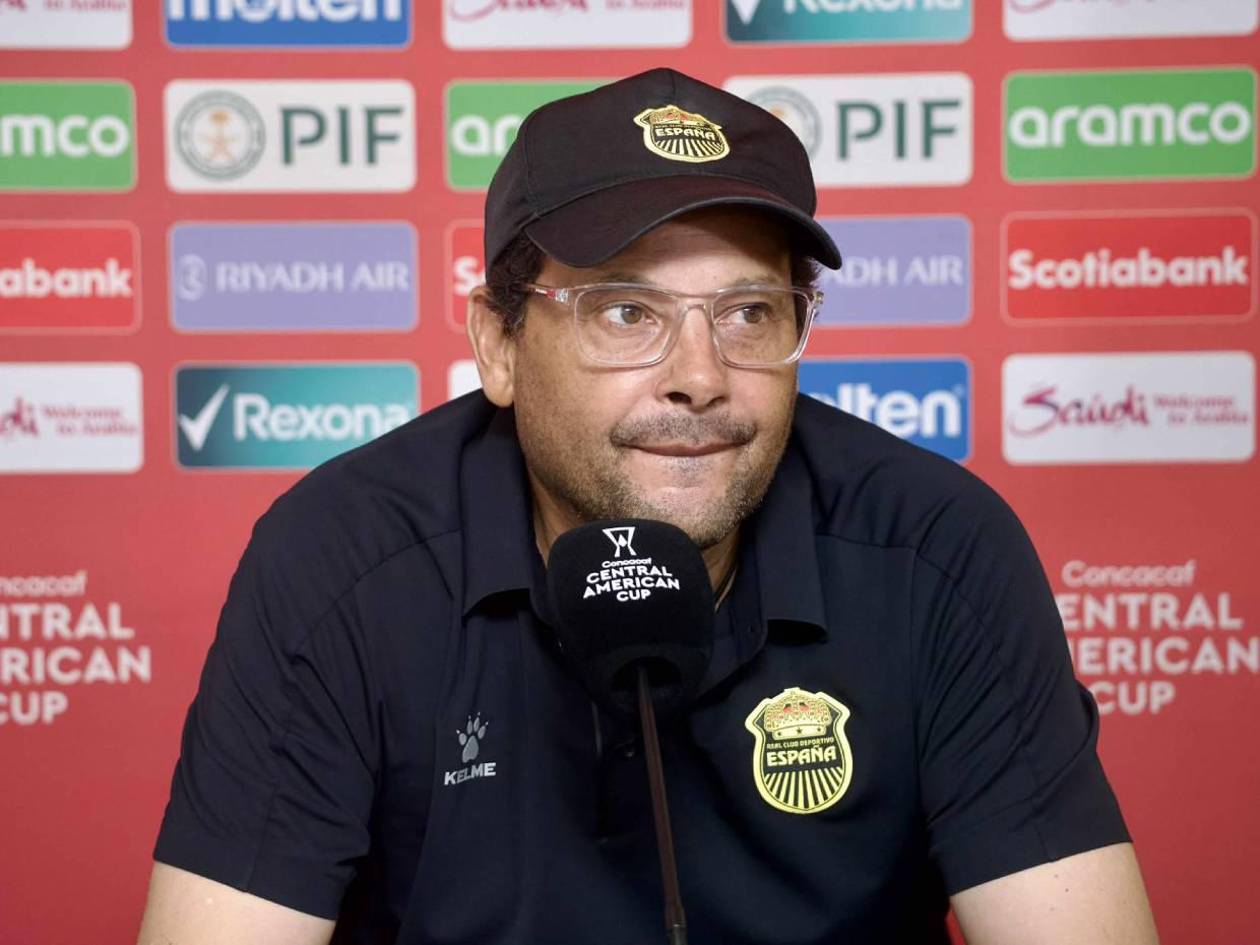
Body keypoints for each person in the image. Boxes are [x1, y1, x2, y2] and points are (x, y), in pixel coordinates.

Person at [137, 69, 1160, 945]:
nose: (700, 377)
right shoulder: (341, 560)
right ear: (497, 344)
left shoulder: (937, 550)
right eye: (626, 311)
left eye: (749, 312)